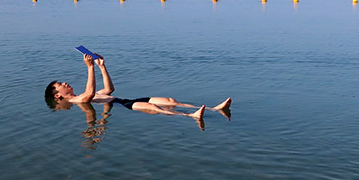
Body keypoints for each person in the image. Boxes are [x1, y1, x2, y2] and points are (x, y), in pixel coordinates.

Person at [44, 53, 231, 123]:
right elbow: (90, 93)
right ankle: (191, 116)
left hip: (126, 99)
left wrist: (102, 66)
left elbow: (109, 90)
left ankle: (215, 108)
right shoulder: (78, 100)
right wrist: (90, 68)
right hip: (122, 106)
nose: (65, 83)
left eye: (63, 82)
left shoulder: (83, 95)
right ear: (58, 97)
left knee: (170, 101)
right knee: (153, 108)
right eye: (60, 85)